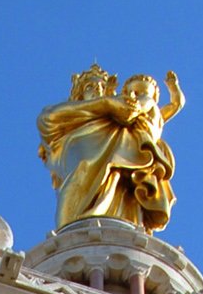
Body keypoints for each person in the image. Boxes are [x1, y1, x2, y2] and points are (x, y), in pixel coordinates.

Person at [37, 69, 185, 234]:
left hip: (132, 162)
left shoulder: (121, 120)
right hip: (80, 181)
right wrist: (105, 105)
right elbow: (47, 120)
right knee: (84, 168)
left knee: (122, 185)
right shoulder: (69, 120)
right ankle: (71, 233)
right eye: (90, 87)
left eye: (102, 87)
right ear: (78, 96)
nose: (98, 90)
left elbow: (165, 107)